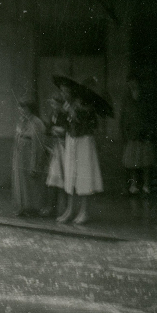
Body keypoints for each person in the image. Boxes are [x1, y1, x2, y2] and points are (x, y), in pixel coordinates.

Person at [57, 79, 104, 225]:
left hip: (83, 141)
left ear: (72, 92)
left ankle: (84, 211)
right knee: (70, 174)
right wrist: (65, 114)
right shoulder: (67, 105)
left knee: (84, 175)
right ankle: (70, 210)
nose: (62, 94)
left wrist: (74, 112)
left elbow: (91, 124)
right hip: (71, 140)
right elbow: (65, 123)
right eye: (62, 91)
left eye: (65, 91)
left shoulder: (85, 105)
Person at [11, 100, 47, 217]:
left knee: (31, 181)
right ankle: (22, 206)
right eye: (20, 108)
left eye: (23, 108)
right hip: (20, 155)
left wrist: (35, 162)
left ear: (30, 108)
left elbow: (38, 144)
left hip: (30, 154)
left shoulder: (36, 123)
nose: (21, 110)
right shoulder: (22, 121)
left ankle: (33, 209)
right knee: (21, 180)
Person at [120, 76, 155, 195]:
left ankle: (146, 185)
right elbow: (123, 119)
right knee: (132, 162)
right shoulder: (127, 101)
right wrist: (125, 133)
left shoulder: (146, 100)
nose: (132, 86)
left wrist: (149, 133)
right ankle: (133, 185)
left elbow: (150, 117)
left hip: (144, 135)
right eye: (130, 84)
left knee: (146, 162)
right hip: (132, 135)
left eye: (134, 83)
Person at [43, 92, 68, 217]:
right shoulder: (53, 115)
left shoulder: (64, 115)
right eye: (52, 104)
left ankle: (65, 209)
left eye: (55, 104)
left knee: (63, 178)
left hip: (64, 148)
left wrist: (56, 130)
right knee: (53, 177)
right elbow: (48, 129)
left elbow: (65, 131)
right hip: (55, 148)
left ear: (60, 104)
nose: (53, 106)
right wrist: (54, 130)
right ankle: (52, 207)